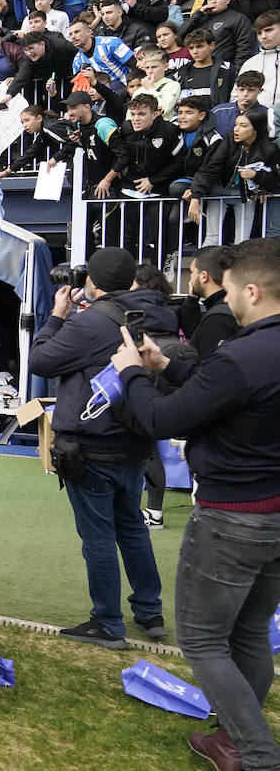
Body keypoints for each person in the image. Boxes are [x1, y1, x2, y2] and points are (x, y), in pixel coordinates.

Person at [110, 237, 280, 771]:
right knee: (248, 632)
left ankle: (256, 755)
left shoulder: (244, 354)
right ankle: (235, 739)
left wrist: (131, 373)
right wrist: (165, 366)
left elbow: (164, 421)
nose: (223, 299)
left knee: (205, 642)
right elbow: (225, 393)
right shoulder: (250, 355)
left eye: (228, 289)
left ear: (251, 289)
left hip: (233, 518)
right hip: (271, 516)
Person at [27, 247, 169, 650]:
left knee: (99, 538)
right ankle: (149, 612)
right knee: (132, 528)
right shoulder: (151, 314)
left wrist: (57, 315)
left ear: (93, 281)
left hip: (93, 447)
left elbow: (41, 360)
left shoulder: (91, 323)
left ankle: (108, 622)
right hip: (135, 441)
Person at [189, 245, 241, 360]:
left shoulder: (217, 319)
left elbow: (212, 371)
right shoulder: (233, 307)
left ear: (204, 276)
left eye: (192, 272)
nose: (191, 277)